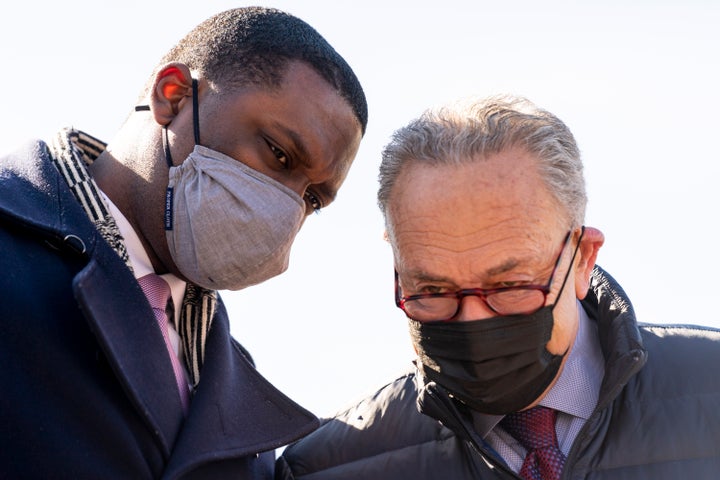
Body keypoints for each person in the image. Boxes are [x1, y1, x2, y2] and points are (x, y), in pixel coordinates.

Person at [0, 7, 366, 479]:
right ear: (172, 95)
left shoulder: (238, 402)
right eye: (279, 154)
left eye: (313, 198)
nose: (286, 209)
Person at [276, 95, 720, 479]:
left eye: (509, 285)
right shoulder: (326, 467)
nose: (473, 320)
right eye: (433, 291)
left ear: (583, 259)